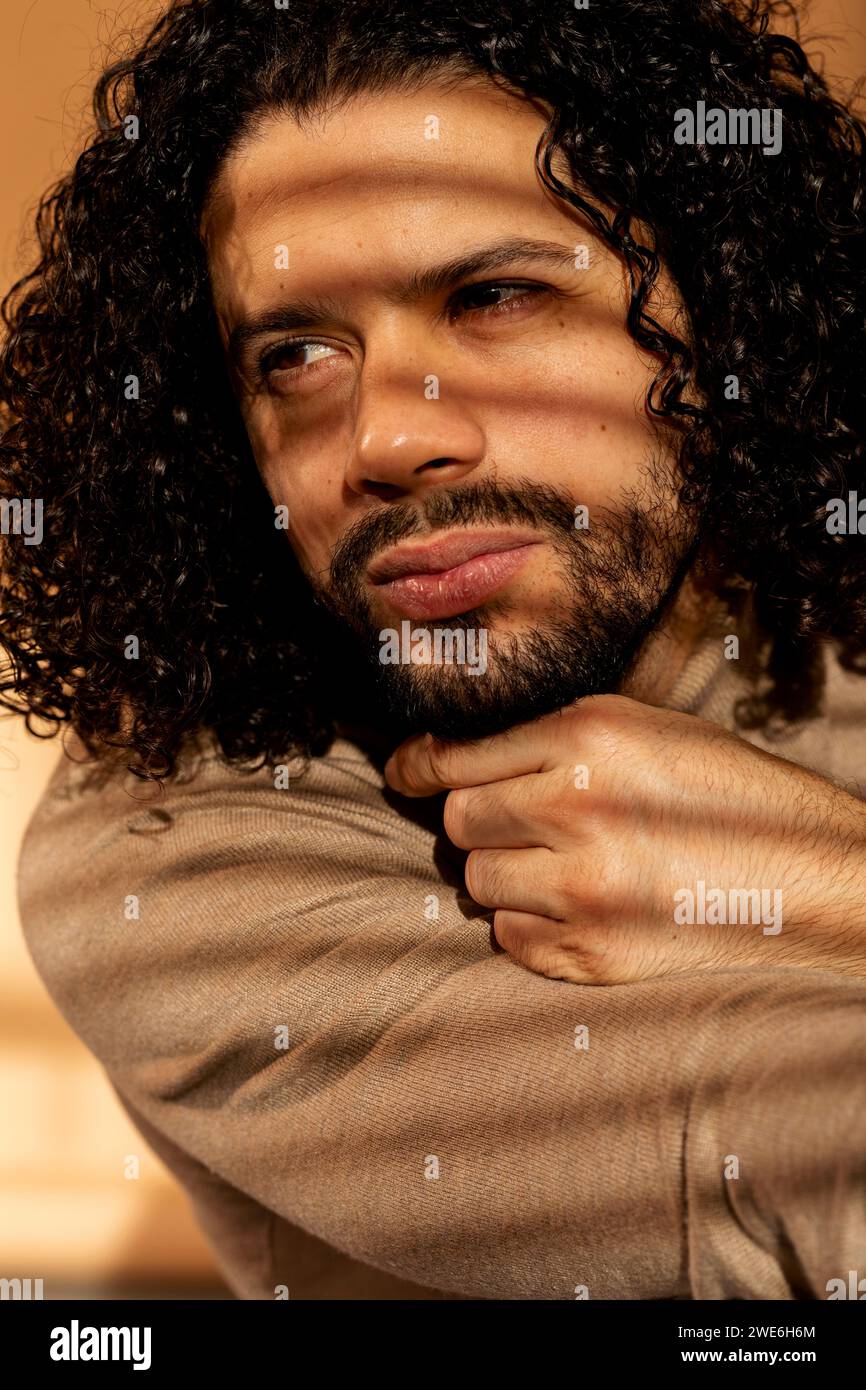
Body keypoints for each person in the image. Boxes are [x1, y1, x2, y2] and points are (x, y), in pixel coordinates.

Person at [4, 0, 866, 1299]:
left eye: (493, 296)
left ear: (722, 302)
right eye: (295, 353)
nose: (382, 442)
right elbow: (792, 1159)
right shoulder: (170, 844)